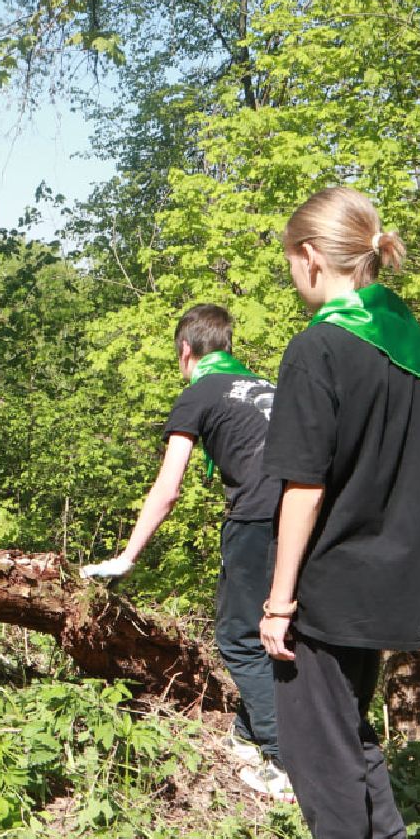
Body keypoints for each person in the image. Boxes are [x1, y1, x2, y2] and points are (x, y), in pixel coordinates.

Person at [258, 186, 420, 839]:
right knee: (350, 731)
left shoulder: (318, 346)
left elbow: (302, 486)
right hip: (390, 573)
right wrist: (413, 563)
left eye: (290, 263)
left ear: (311, 258)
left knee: (315, 741)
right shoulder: (415, 346)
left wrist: (277, 602)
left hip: (326, 577)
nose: (291, 276)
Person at [81, 305, 289, 801]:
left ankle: (286, 765)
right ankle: (249, 733)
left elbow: (168, 487)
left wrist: (127, 556)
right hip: (312, 513)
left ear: (185, 351)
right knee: (280, 630)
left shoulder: (199, 393)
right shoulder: (269, 389)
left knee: (239, 637)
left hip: (258, 516)